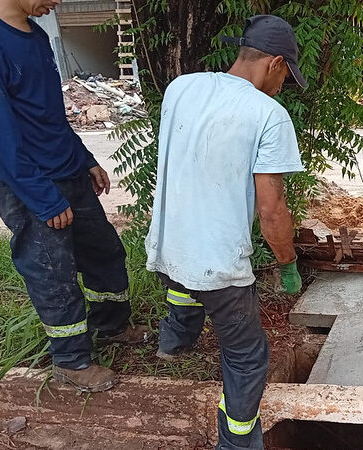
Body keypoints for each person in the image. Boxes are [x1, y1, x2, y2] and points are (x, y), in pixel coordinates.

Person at [0, 0, 148, 393]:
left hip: (69, 172)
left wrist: (84, 158)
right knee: (53, 274)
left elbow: (50, 115)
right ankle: (72, 362)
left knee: (105, 252)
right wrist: (42, 197)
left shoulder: (38, 34)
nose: (58, 1)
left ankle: (111, 326)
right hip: (30, 182)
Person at [145, 15, 306, 449]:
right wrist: (287, 262)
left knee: (182, 284)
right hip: (217, 266)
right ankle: (237, 442)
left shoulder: (182, 87)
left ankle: (172, 344)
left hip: (165, 245)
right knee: (248, 356)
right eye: (286, 76)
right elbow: (272, 210)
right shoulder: (268, 114)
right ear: (275, 63)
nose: (283, 86)